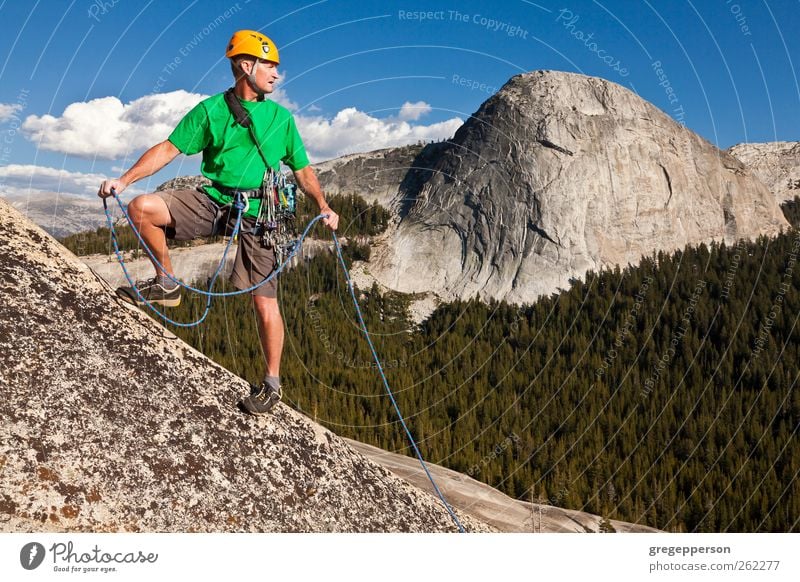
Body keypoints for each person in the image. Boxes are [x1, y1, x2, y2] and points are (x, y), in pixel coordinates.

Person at [98, 30, 339, 416]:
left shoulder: (281, 118)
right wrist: (125, 181)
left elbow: (302, 170)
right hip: (216, 199)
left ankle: (273, 383)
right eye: (270, 66)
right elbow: (168, 149)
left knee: (264, 302)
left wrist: (323, 205)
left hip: (261, 213)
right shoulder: (211, 111)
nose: (277, 74)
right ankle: (167, 282)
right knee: (142, 207)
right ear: (247, 66)